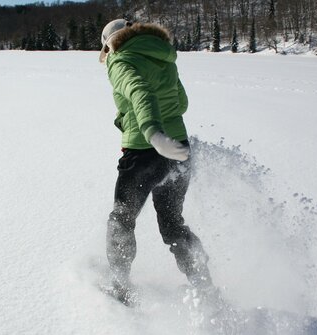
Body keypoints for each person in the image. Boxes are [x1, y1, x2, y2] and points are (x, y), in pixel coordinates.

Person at [100, 19, 214, 305]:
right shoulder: (163, 55)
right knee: (173, 225)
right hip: (179, 151)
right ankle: (204, 286)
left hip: (145, 151)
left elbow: (140, 91)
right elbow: (181, 103)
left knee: (121, 221)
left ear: (111, 43)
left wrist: (152, 132)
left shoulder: (120, 58)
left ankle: (121, 289)